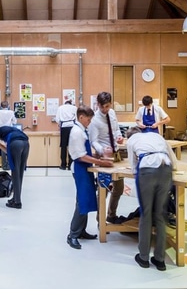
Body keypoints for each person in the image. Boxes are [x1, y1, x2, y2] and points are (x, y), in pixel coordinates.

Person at [126, 126, 177, 271]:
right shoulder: (156, 136)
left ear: (129, 137)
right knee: (160, 214)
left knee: (146, 213)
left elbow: (134, 166)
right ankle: (160, 260)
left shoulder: (131, 141)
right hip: (166, 168)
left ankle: (143, 257)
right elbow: (173, 159)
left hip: (147, 170)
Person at [66, 105, 113, 250]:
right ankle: (72, 235)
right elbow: (79, 156)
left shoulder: (81, 130)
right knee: (82, 201)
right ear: (81, 117)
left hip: (85, 168)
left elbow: (84, 151)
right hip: (79, 169)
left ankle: (81, 231)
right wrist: (100, 162)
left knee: (84, 200)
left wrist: (96, 156)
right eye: (88, 118)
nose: (90, 121)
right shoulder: (76, 132)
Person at [88, 91, 124, 224]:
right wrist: (102, 150)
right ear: (97, 104)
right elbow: (93, 141)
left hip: (116, 154)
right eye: (102, 106)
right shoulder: (94, 120)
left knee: (119, 188)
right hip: (103, 157)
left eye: (107, 106)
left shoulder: (112, 113)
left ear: (111, 104)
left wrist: (119, 137)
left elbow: (116, 129)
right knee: (104, 190)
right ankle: (100, 221)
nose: (104, 109)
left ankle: (111, 214)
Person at [0, 125, 30, 209]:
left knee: (15, 172)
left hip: (15, 144)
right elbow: (9, 151)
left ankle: (17, 202)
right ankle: (15, 198)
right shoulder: (12, 129)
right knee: (20, 172)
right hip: (26, 144)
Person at [0, 100, 17, 170]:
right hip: (9, 131)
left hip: (0, 131)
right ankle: (10, 164)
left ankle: (4, 165)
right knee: (9, 147)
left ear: (1, 106)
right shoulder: (11, 112)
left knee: (2, 148)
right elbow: (15, 121)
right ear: (8, 106)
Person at [55, 100, 77, 170]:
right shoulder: (74, 108)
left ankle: (63, 165)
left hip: (64, 127)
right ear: (70, 103)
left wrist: (60, 123)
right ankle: (70, 165)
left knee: (63, 146)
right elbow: (77, 119)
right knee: (71, 146)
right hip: (72, 127)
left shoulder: (60, 108)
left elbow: (57, 119)